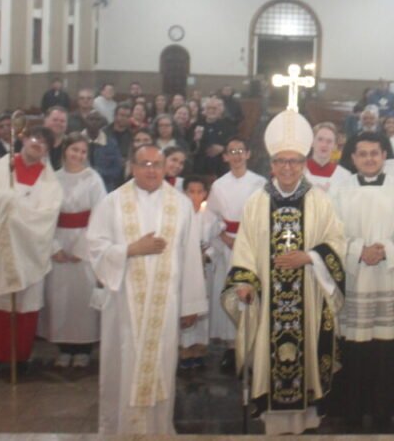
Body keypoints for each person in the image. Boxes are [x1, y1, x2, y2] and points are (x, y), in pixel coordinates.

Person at [223, 108, 346, 435]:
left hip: (307, 294)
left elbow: (337, 241)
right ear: (272, 165)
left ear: (303, 164)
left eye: (294, 161)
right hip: (267, 300)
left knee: (305, 355)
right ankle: (272, 417)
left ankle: (306, 416)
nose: (288, 168)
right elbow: (245, 247)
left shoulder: (319, 201)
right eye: (281, 161)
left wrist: (309, 257)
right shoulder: (257, 202)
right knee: (269, 352)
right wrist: (245, 282)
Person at [87, 144, 208, 434]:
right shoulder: (113, 202)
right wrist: (130, 249)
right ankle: (119, 432)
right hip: (123, 305)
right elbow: (95, 247)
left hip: (165, 307)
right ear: (132, 166)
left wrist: (190, 305)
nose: (151, 170)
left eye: (157, 164)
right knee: (123, 366)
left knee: (161, 366)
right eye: (144, 164)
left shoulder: (179, 205)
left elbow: (190, 254)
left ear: (166, 167)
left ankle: (156, 431)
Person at [328, 132, 394, 432]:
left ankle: (385, 410)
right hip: (355, 281)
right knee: (354, 348)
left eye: (375, 153)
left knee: (387, 349)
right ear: (353, 158)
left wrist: (383, 250)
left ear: (384, 155)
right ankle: (352, 410)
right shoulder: (339, 191)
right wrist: (359, 250)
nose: (369, 158)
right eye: (362, 153)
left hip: (389, 280)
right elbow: (330, 234)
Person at [0, 127, 64, 381]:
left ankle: (18, 359)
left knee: (23, 307)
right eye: (35, 138)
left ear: (48, 150)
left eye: (45, 143)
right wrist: (5, 200)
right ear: (23, 139)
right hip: (0, 245)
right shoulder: (4, 167)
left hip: (28, 250)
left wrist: (16, 209)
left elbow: (46, 216)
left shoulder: (50, 181)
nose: (38, 144)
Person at [39, 134, 107, 369]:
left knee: (81, 296)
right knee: (59, 297)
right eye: (74, 150)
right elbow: (44, 215)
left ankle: (84, 348)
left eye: (83, 152)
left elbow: (101, 214)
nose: (78, 155)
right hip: (58, 237)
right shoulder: (52, 179)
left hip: (84, 241)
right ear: (65, 150)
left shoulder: (93, 179)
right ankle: (64, 347)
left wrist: (82, 247)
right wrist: (53, 247)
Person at [204, 137, 266, 374]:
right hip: (228, 245)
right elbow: (211, 216)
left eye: (241, 150)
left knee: (250, 296)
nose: (237, 155)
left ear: (248, 154)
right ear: (225, 157)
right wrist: (222, 236)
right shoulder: (219, 185)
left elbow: (263, 215)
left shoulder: (260, 183)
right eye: (232, 151)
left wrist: (249, 240)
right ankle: (231, 348)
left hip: (251, 245)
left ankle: (251, 350)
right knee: (230, 294)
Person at [178, 176, 211, 369]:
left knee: (201, 310)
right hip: (185, 270)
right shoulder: (179, 216)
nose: (195, 196)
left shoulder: (209, 217)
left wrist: (208, 254)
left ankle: (199, 349)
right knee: (186, 305)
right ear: (184, 193)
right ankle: (184, 349)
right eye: (191, 192)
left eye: (200, 192)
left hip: (205, 269)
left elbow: (215, 241)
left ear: (205, 194)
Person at [304, 122, 353, 193]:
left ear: (335, 146)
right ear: (312, 142)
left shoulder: (345, 176)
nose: (324, 145)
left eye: (329, 141)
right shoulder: (298, 171)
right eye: (320, 139)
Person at [83, 111, 125, 191]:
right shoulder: (76, 141)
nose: (94, 122)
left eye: (97, 119)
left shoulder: (111, 144)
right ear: (85, 121)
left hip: (105, 187)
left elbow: (117, 169)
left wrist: (99, 172)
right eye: (91, 119)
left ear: (102, 123)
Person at [192, 97, 234, 177]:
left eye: (214, 108)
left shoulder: (228, 126)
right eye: (208, 108)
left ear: (220, 110)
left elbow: (234, 145)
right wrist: (196, 141)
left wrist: (223, 149)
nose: (211, 111)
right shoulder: (196, 125)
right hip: (200, 170)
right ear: (204, 110)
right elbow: (190, 147)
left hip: (222, 169)